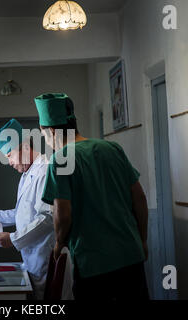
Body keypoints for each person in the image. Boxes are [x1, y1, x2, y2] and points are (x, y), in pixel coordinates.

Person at [34, 93, 150, 300]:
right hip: (131, 256)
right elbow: (139, 199)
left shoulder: (61, 160)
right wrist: (142, 240)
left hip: (95, 263)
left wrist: (59, 243)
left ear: (51, 131)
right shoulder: (112, 148)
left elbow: (63, 213)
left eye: (43, 135)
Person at [0, 118, 55, 300]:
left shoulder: (44, 171)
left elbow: (47, 218)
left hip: (42, 255)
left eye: (9, 155)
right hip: (30, 256)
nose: (9, 162)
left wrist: (13, 239)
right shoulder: (27, 172)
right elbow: (21, 212)